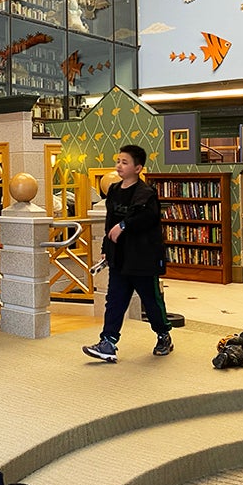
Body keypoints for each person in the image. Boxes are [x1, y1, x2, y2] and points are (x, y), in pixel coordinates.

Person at [82, 144, 174, 362]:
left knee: (151, 301)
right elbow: (109, 223)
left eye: (125, 162)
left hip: (143, 259)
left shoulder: (146, 193)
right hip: (119, 259)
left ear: (138, 168)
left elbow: (147, 219)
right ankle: (108, 342)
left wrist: (124, 226)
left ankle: (163, 335)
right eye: (118, 161)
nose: (119, 166)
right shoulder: (114, 190)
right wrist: (106, 250)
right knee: (114, 301)